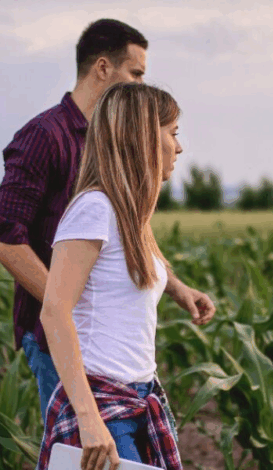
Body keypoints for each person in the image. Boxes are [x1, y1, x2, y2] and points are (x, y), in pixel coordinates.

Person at [0, 19, 215, 427]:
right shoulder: (44, 136)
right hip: (61, 335)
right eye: (136, 73)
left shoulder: (115, 143)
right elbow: (6, 241)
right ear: (103, 68)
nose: (142, 86)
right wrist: (69, 309)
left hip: (102, 340)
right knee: (79, 443)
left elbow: (125, 232)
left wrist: (175, 286)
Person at [36, 83, 203, 470]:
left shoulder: (127, 213)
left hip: (139, 398)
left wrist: (179, 290)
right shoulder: (94, 209)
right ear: (143, 138)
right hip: (102, 406)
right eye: (173, 133)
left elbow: (128, 274)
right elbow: (54, 312)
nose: (179, 147)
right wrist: (89, 420)